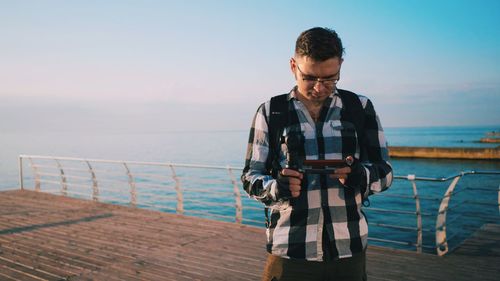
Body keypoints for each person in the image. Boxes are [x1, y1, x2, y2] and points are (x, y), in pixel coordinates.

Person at [241, 27, 393, 281]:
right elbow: (250, 178)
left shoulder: (360, 108)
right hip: (289, 252)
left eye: (331, 78)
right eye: (310, 78)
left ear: (341, 65)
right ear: (293, 66)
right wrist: (277, 187)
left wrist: (360, 175)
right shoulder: (271, 111)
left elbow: (385, 172)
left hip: (349, 251)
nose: (320, 88)